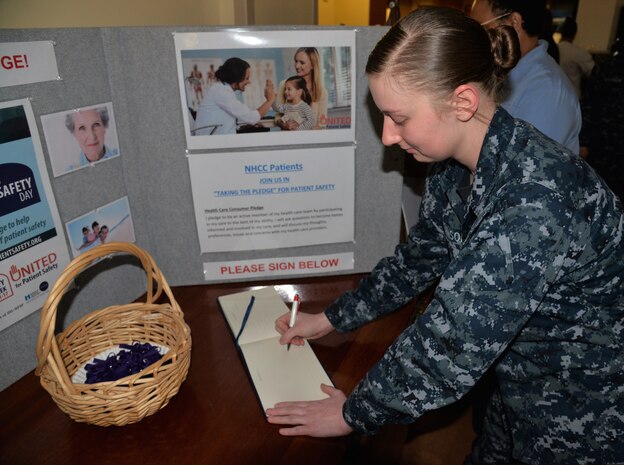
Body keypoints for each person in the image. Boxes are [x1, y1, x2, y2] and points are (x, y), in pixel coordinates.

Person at [266, 7, 624, 465]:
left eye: (399, 117)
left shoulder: (535, 200)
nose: (390, 136)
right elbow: (421, 256)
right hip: (515, 385)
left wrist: (354, 413)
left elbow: (451, 343)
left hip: (582, 410)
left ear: (463, 103)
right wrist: (332, 318)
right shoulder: (456, 163)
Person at [470, 0, 582, 154]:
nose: (474, 39)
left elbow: (524, 164)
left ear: (514, 22)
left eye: (481, 28)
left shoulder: (547, 89)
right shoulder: (500, 72)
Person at [579, 36, 624, 203]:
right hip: (603, 147)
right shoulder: (608, 69)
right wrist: (583, 143)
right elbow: (590, 106)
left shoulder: (607, 68)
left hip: (603, 147)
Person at [193, 57, 275, 135]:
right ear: (237, 78)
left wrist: (243, 126)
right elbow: (252, 118)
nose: (249, 82)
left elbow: (227, 120)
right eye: (246, 78)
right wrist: (270, 100)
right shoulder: (221, 92)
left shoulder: (221, 89)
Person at [275, 48, 328, 130]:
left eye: (302, 63)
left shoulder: (321, 92)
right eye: (296, 61)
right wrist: (284, 125)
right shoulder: (284, 85)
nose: (297, 66)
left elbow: (321, 124)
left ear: (312, 65)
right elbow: (278, 117)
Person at [558, 16, 595, 100]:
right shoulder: (579, 53)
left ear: (561, 31)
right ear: (575, 33)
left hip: (552, 97)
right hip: (571, 98)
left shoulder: (551, 50)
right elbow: (593, 72)